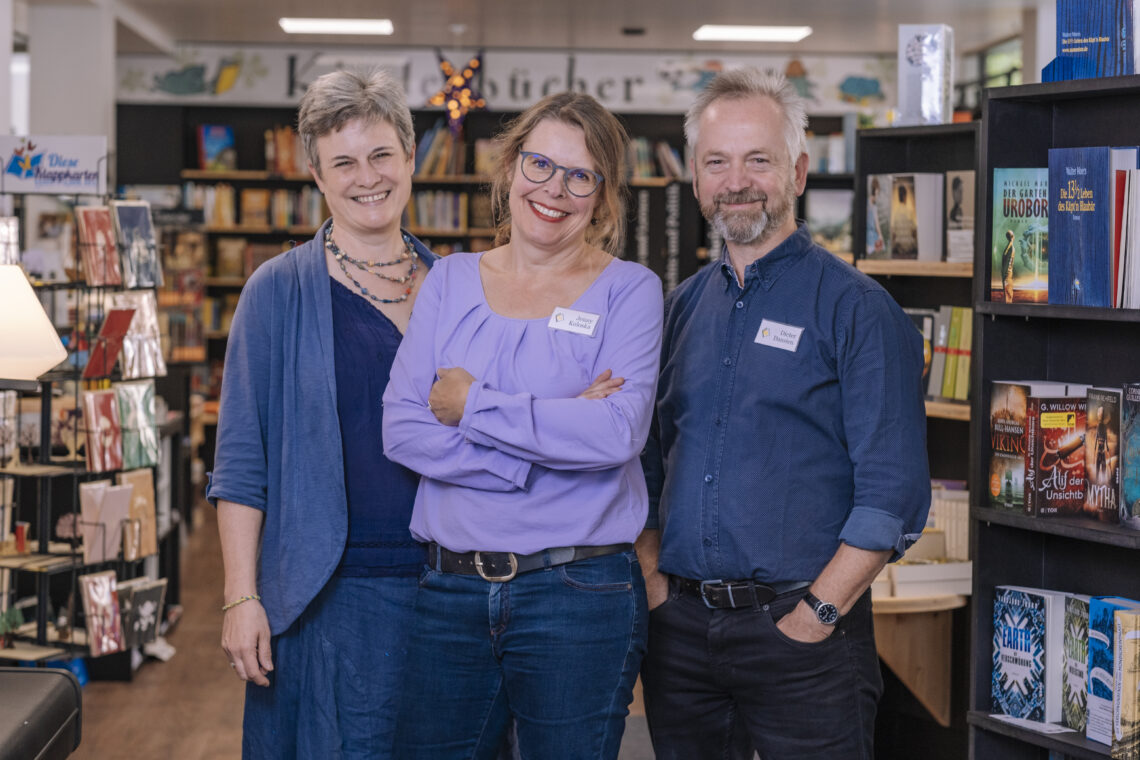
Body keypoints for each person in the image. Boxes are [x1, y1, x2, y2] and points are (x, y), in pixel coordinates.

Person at [637, 68, 931, 760]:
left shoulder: (857, 309)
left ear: (798, 171)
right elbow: (647, 462)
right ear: (698, 180)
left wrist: (818, 614)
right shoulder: (678, 310)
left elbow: (893, 491)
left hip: (805, 640)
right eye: (717, 162)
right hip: (681, 640)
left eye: (757, 160)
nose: (736, 180)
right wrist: (653, 585)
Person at [382, 91, 663, 759]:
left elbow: (616, 434)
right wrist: (542, 448)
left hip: (579, 596)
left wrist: (474, 405)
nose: (554, 189)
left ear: (603, 195)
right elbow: (401, 427)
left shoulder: (631, 290)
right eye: (540, 164)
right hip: (449, 591)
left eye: (580, 175)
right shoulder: (447, 280)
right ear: (509, 168)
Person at [207, 67, 435, 759]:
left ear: (409, 157)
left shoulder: (457, 286)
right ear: (316, 174)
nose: (366, 176)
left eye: (380, 155)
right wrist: (242, 597)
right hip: (326, 595)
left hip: (449, 588)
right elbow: (242, 464)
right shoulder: (276, 292)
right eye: (343, 161)